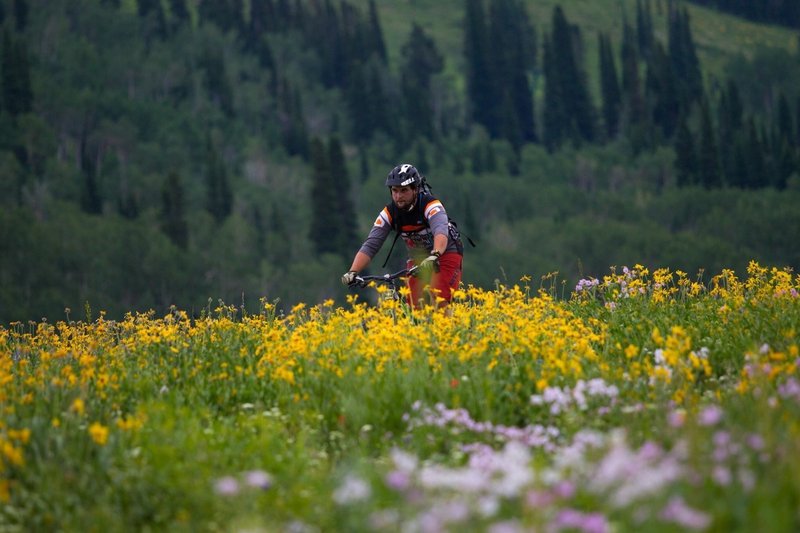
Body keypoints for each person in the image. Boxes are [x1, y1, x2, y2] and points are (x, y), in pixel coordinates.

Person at [341, 163, 464, 309]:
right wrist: (353, 271)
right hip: (418, 257)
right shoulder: (389, 213)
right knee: (412, 304)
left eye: (404, 191)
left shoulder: (430, 205)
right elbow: (371, 244)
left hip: (446, 251)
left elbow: (440, 230)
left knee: (440, 298)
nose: (398, 196)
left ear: (415, 189)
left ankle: (446, 330)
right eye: (395, 191)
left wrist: (436, 253)